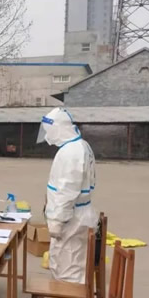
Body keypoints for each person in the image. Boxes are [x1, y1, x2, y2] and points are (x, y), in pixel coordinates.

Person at [38, 108, 98, 284]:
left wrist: (57, 220)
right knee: (71, 263)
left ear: (57, 128)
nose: (47, 135)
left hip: (71, 219)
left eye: (49, 130)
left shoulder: (71, 152)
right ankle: (67, 296)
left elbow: (67, 190)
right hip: (78, 215)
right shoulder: (80, 146)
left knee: (68, 269)